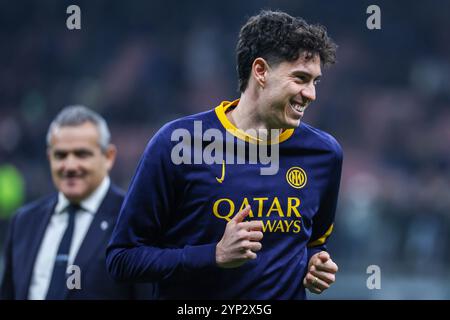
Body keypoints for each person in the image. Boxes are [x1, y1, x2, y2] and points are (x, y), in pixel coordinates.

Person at [107, 10, 342, 299]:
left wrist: (315, 262)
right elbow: (122, 259)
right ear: (261, 71)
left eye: (315, 82)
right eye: (300, 78)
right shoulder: (177, 144)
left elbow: (313, 243)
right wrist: (212, 255)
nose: (310, 94)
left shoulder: (324, 154)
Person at [0, 106, 155, 300]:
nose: (70, 166)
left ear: (108, 157)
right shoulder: (24, 222)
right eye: (61, 155)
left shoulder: (136, 222)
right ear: (49, 158)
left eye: (82, 154)